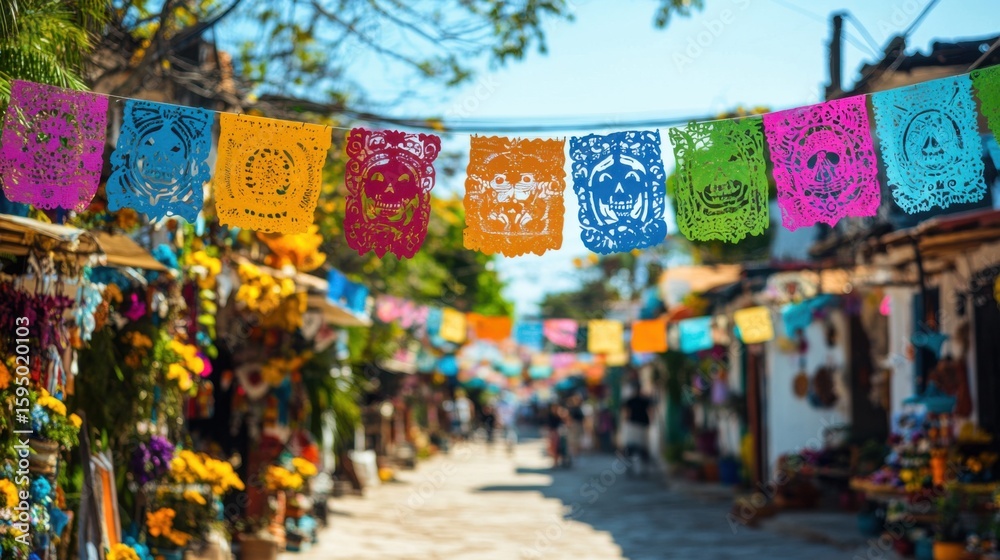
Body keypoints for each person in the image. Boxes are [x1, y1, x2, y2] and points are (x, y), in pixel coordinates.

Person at [620, 384, 654, 476]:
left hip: (634, 426)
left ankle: (634, 468)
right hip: (641, 425)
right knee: (641, 448)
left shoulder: (631, 401)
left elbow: (626, 413)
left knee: (633, 448)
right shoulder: (643, 400)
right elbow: (650, 410)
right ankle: (643, 469)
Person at [545, 402, 565, 468]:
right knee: (553, 449)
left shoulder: (560, 415)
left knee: (558, 448)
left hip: (559, 433)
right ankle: (555, 462)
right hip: (553, 434)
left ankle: (557, 461)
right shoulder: (550, 415)